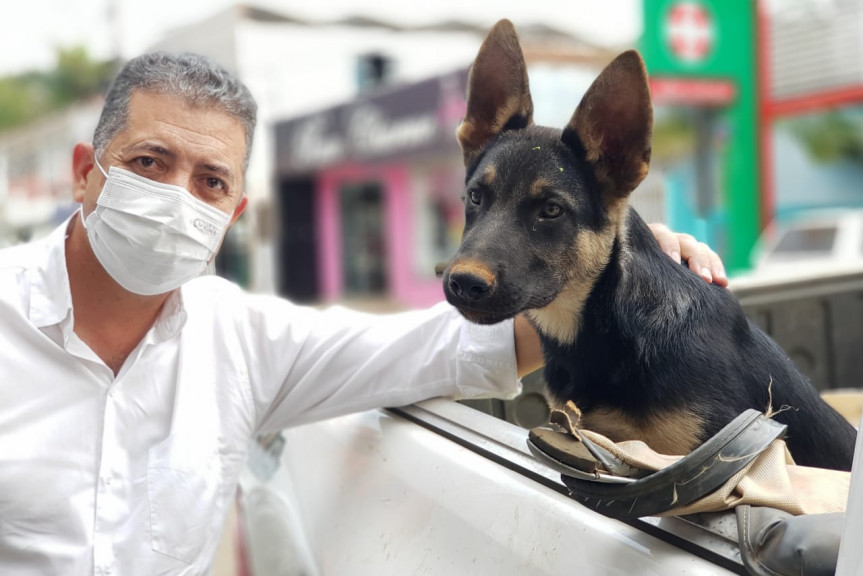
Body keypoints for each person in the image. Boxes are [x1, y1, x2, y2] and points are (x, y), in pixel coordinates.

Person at [0, 52, 727, 575]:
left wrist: (631, 261)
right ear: (82, 174)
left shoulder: (241, 342)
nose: (178, 198)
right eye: (149, 163)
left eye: (210, 181)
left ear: (232, 215)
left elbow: (446, 345)